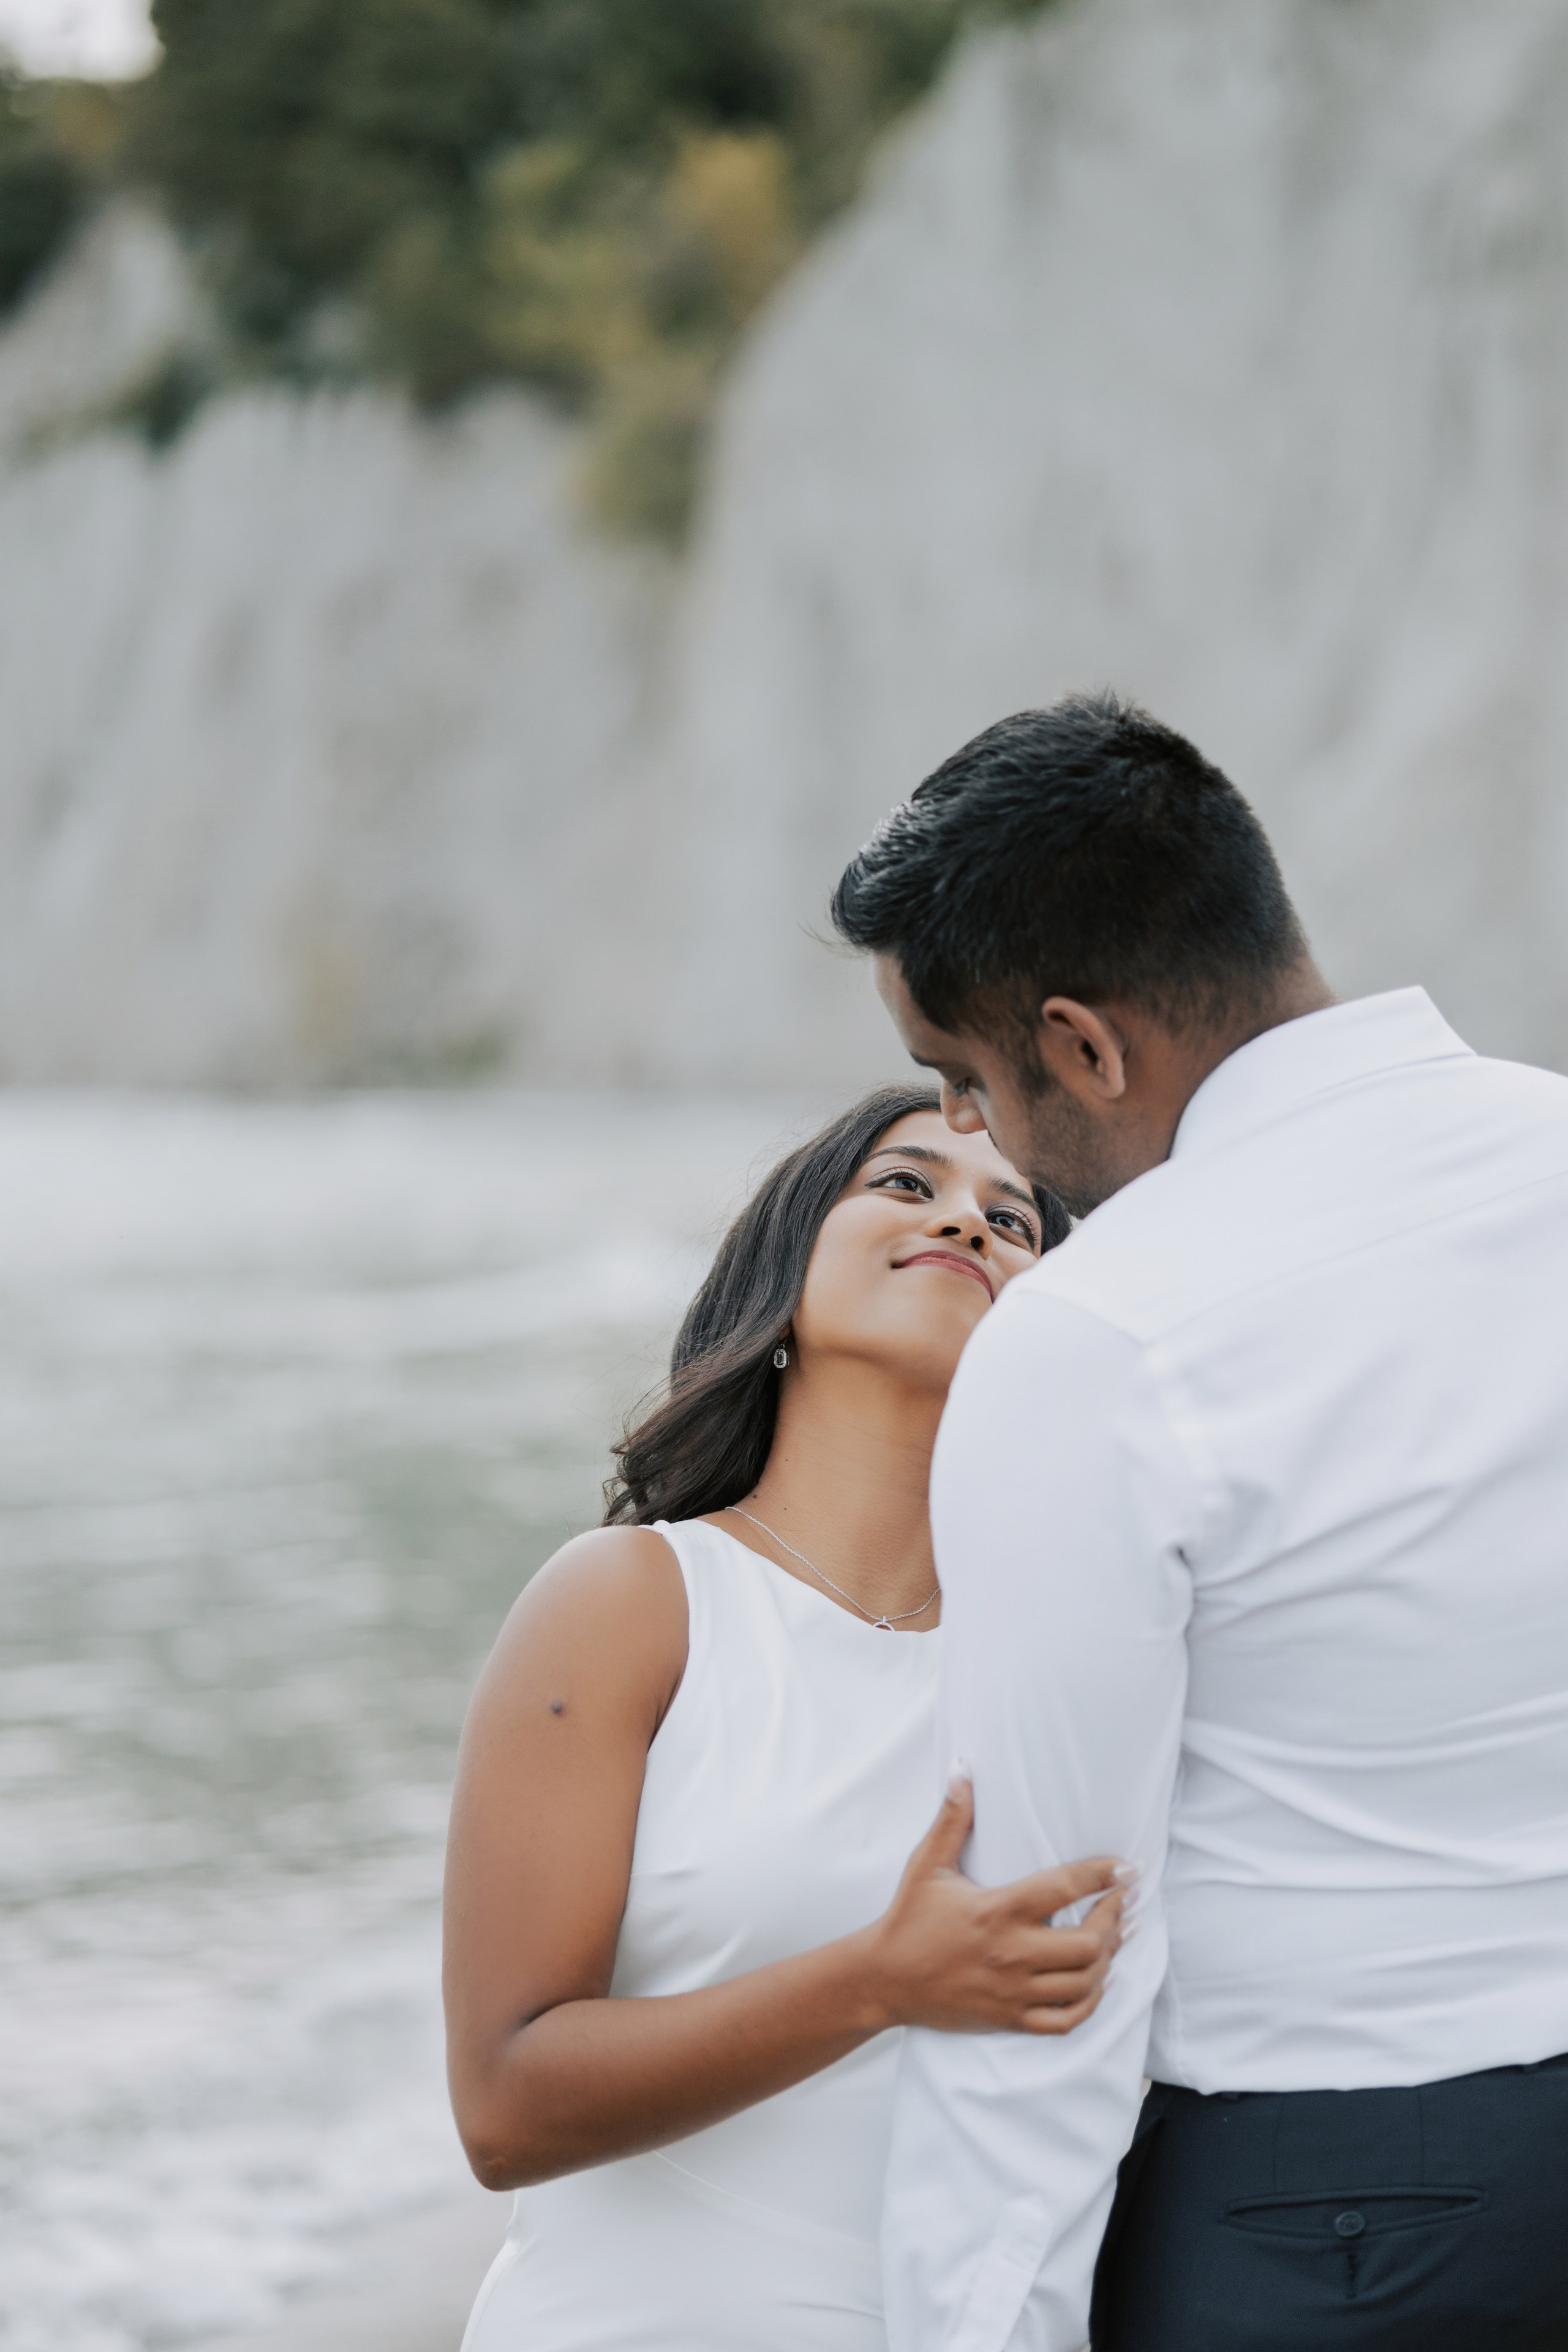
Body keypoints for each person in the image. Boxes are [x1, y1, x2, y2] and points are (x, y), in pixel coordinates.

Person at [831, 693, 1568, 2352]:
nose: (978, 1137)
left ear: (1086, 1045)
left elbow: (1050, 1936)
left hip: (1338, 2222)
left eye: (966, 1078)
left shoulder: (1103, 1331)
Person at [444, 1084, 1129, 2352]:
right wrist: (881, 1980)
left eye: (1015, 1220)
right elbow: (503, 2105)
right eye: (906, 1186)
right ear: (782, 1278)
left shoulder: (1072, 1653)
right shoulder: (632, 1601)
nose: (968, 1225)